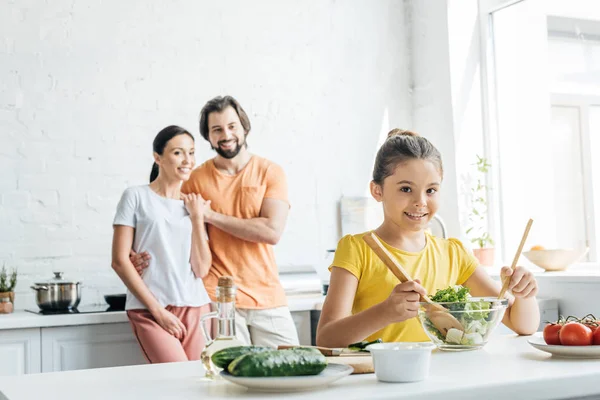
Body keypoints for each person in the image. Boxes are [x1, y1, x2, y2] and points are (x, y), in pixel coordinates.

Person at [316, 129, 540, 347]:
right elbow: (326, 337)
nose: (420, 201)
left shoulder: (453, 253)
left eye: (431, 190)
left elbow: (521, 324)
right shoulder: (357, 249)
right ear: (377, 191)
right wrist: (385, 312)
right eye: (405, 189)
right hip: (382, 380)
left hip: (443, 381)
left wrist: (524, 295)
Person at [131, 96, 299, 347]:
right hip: (218, 299)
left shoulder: (270, 172)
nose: (226, 135)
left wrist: (210, 215)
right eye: (217, 130)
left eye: (232, 126)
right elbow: (159, 215)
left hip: (268, 297)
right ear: (208, 137)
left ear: (244, 127)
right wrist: (135, 255)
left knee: (290, 370)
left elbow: (271, 231)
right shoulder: (194, 180)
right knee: (231, 380)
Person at [111, 125, 213, 363]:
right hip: (151, 309)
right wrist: (157, 311)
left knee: (198, 386)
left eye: (191, 152)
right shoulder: (136, 196)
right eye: (178, 153)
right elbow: (119, 260)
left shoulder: (193, 205)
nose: (187, 160)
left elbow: (201, 269)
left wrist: (198, 218)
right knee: (176, 380)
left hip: (196, 306)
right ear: (158, 157)